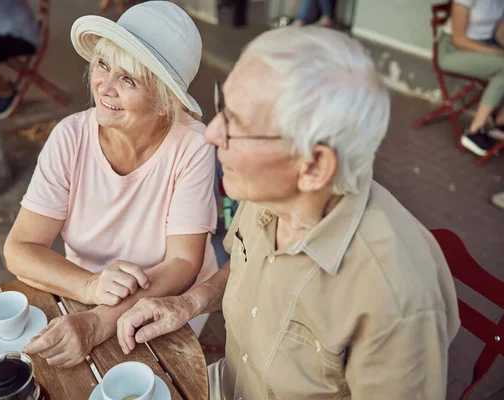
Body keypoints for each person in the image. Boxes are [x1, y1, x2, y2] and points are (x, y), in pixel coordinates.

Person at [116, 27, 461, 399]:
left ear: (313, 167)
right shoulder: (272, 192)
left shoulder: (395, 296)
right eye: (222, 106)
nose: (211, 134)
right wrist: (188, 303)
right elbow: (246, 265)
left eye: (238, 125)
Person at [4, 2, 218, 367]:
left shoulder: (192, 145)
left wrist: (99, 322)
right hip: (82, 294)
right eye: (103, 64)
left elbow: (183, 262)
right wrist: (90, 286)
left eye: (129, 79)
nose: (105, 86)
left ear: (165, 102)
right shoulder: (70, 137)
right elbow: (20, 248)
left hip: (167, 303)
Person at [440, 0, 504, 156]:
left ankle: (499, 124)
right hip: (454, 50)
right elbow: (459, 40)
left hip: (483, 46)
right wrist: (498, 54)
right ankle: (473, 131)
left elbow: (499, 35)